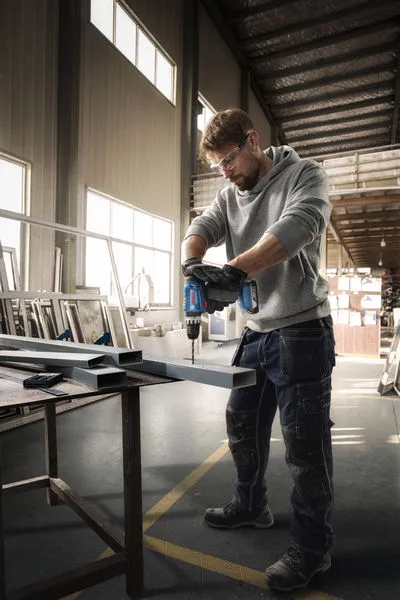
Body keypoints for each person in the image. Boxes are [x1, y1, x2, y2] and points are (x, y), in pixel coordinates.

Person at [181, 108, 335, 592]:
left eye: (229, 159)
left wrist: (234, 270)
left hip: (302, 329)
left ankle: (313, 549)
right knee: (241, 424)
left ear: (253, 140)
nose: (224, 171)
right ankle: (252, 507)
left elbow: (300, 225)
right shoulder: (229, 195)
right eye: (216, 166)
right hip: (257, 332)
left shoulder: (304, 175)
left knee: (304, 445)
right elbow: (202, 223)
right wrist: (193, 264)